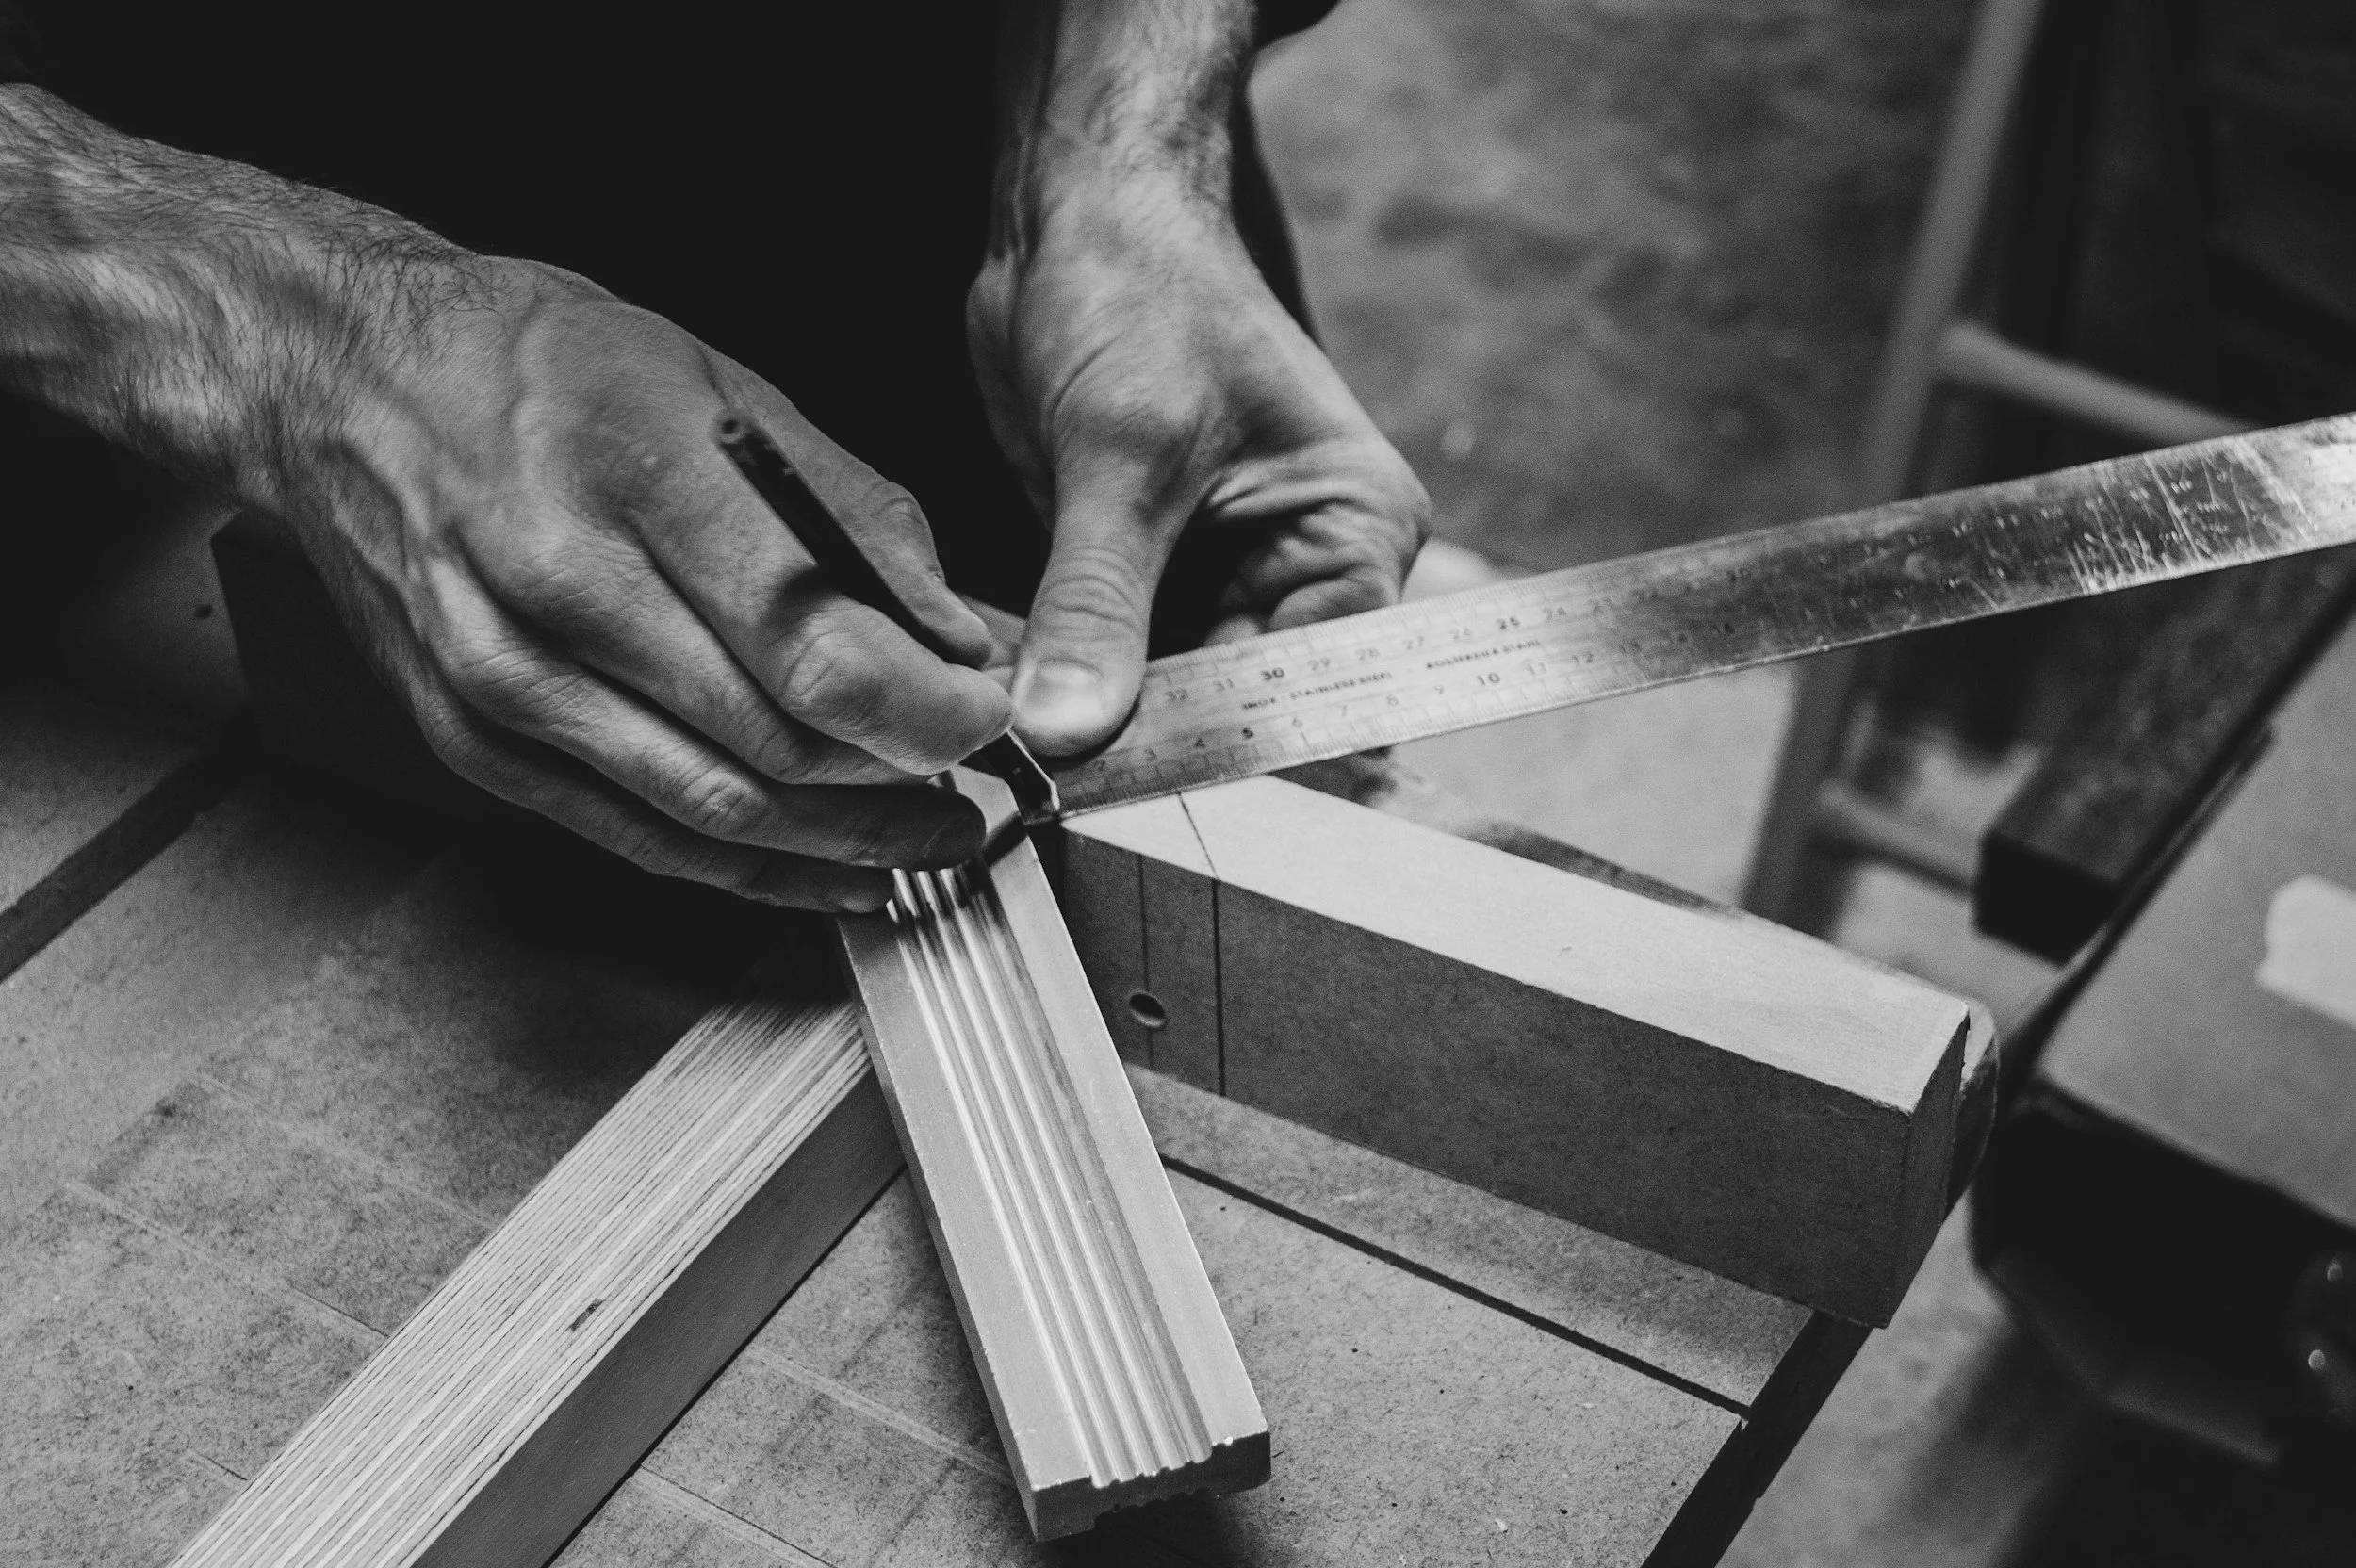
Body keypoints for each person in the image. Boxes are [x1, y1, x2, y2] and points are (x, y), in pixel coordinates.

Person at [0, 0, 1428, 912]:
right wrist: (310, 339)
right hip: (216, 267)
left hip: (1002, 253)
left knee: (1158, 773)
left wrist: (1118, 140)